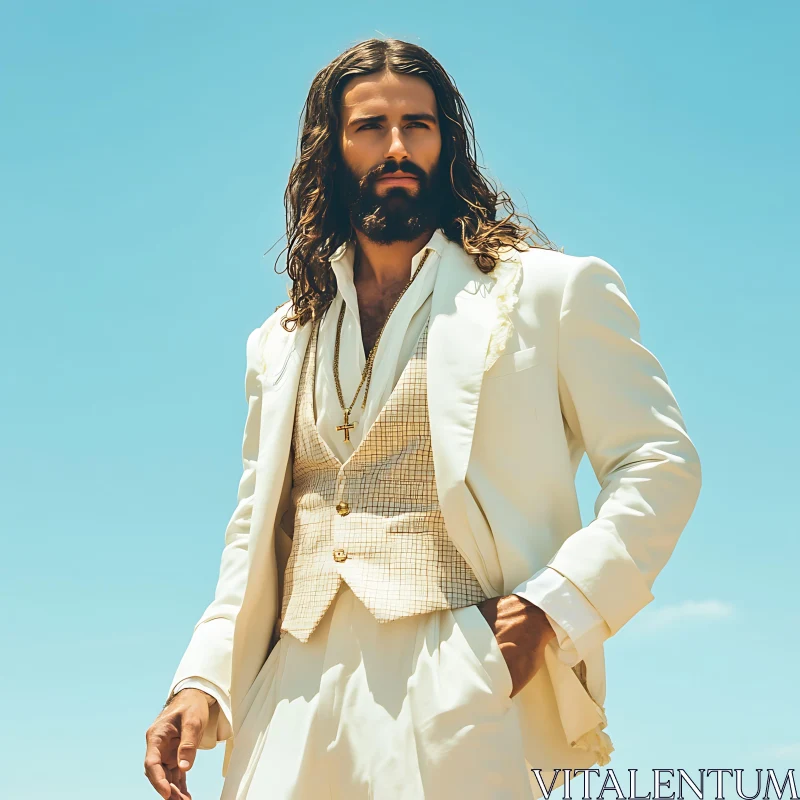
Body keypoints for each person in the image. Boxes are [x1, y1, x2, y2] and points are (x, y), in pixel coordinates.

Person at [144, 37, 702, 800]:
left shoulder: (549, 293)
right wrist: (202, 678)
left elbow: (659, 462)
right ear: (329, 151)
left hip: (461, 682)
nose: (399, 147)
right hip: (292, 694)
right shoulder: (279, 340)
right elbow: (254, 536)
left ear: (448, 144)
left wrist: (556, 601)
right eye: (371, 127)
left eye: (421, 126)